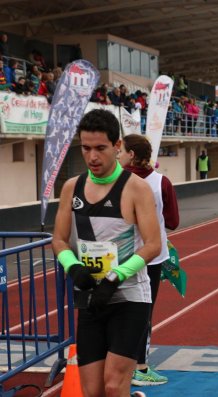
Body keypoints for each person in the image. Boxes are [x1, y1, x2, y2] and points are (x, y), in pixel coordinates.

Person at [52, 109, 161, 397]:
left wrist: (115, 277)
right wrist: (73, 267)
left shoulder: (136, 189)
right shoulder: (71, 188)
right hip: (90, 299)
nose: (92, 157)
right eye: (86, 148)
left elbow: (153, 244)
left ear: (117, 146)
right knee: (93, 392)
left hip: (129, 296)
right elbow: (59, 240)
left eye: (100, 148)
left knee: (114, 386)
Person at [119, 134, 180, 387]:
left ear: (132, 154)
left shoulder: (115, 181)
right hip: (152, 257)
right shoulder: (161, 182)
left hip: (120, 255)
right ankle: (140, 367)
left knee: (118, 311)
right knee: (144, 312)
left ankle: (119, 365)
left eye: (121, 150)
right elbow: (173, 222)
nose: (118, 154)